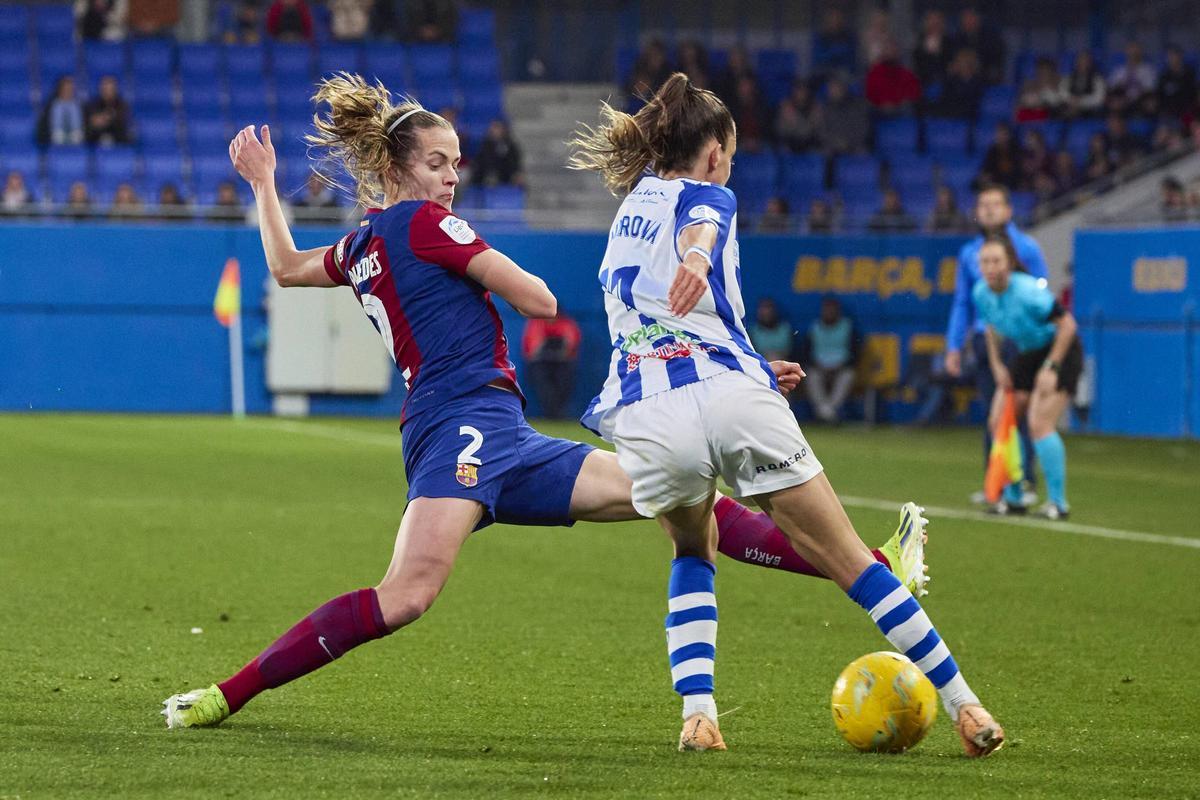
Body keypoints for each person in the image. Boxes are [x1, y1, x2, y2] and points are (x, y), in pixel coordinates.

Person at [161, 74, 930, 735]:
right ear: (396, 168)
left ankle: (868, 564)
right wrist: (478, 257)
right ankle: (225, 697)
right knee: (408, 596)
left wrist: (264, 186)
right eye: (436, 163)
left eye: (456, 166)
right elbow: (538, 297)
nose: (450, 179)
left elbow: (289, 267)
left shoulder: (363, 244)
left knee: (677, 498)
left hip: (505, 431)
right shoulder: (427, 224)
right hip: (457, 429)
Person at [568, 72, 1003, 756]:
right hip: (731, 398)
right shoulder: (710, 194)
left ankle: (700, 717)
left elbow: (665, 319)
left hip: (648, 410)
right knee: (851, 558)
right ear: (713, 153)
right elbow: (702, 226)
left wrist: (751, 358)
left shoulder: (628, 210)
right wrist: (696, 254)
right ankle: (968, 710)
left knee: (691, 547)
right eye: (731, 153)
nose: (730, 165)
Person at [944, 184, 1048, 508]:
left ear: (1008, 210)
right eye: (983, 204)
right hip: (984, 338)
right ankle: (996, 482)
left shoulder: (1027, 248)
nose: (989, 210)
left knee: (1020, 408)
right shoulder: (968, 253)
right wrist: (953, 346)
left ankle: (1023, 479)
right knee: (993, 410)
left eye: (995, 204)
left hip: (1020, 338)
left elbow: (1042, 295)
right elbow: (962, 301)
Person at [974, 232, 1082, 519]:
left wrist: (1053, 367)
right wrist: (998, 366)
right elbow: (992, 330)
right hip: (1027, 353)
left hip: (1060, 348)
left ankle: (1058, 504)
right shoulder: (981, 293)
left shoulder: (1028, 291)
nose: (991, 267)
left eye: (996, 260)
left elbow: (1068, 325)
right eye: (985, 261)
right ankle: (1014, 498)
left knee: (1039, 423)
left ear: (1009, 263)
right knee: (1000, 417)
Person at [801, 295, 859, 423]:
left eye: (832, 310)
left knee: (848, 375)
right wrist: (820, 366)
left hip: (841, 367)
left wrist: (839, 366)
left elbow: (855, 353)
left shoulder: (847, 326)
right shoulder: (815, 327)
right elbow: (806, 354)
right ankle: (826, 412)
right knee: (811, 375)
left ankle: (828, 411)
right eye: (826, 309)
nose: (829, 312)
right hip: (819, 367)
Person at [521, 310, 582, 419]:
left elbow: (568, 350)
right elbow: (533, 352)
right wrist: (546, 346)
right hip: (540, 364)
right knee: (544, 386)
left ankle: (557, 413)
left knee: (563, 383)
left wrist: (558, 349)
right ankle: (552, 414)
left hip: (561, 363)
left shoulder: (566, 324)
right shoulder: (537, 324)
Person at [865, 38, 921, 116]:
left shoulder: (907, 74)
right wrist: (883, 104)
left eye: (893, 49)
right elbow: (870, 94)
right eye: (888, 49)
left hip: (901, 109)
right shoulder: (874, 73)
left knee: (909, 108)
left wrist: (897, 104)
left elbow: (914, 93)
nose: (891, 52)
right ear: (883, 52)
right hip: (879, 110)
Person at [818, 74, 870, 155]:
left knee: (863, 153)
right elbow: (822, 131)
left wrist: (848, 143)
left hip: (854, 146)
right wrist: (836, 143)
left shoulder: (857, 106)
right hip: (833, 148)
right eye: (831, 88)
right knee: (822, 155)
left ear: (843, 88)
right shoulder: (825, 108)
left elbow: (862, 128)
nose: (833, 91)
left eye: (836, 87)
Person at [1107, 41, 1157, 117]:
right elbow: (1112, 86)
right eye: (1131, 51)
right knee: (1115, 102)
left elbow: (1150, 88)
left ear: (1140, 52)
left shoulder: (1147, 70)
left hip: (1141, 99)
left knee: (1150, 103)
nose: (1133, 53)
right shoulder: (1120, 70)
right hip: (1123, 100)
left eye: (1136, 51)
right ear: (1126, 52)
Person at [473, 119, 523, 187]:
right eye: (493, 128)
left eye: (497, 128)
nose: (495, 131)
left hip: (506, 173)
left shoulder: (510, 145)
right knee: (489, 179)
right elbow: (483, 161)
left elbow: (514, 161)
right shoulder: (485, 145)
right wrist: (490, 172)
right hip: (487, 173)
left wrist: (516, 173)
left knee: (519, 179)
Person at [37, 76, 85, 147]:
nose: (68, 91)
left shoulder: (80, 106)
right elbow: (43, 128)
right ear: (60, 89)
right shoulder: (51, 107)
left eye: (70, 89)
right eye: (66, 89)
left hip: (76, 137)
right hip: (55, 138)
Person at [85, 75, 132, 146]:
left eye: (111, 89)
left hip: (118, 140)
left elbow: (122, 122)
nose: (108, 92)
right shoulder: (93, 104)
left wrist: (106, 118)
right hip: (96, 139)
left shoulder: (122, 105)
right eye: (105, 88)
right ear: (101, 89)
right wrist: (108, 117)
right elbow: (93, 122)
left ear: (115, 89)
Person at [1062, 51, 1106, 118]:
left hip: (1089, 110)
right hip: (1070, 107)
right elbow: (1063, 92)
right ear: (1076, 63)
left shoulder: (1097, 79)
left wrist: (1081, 101)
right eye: (1081, 61)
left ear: (1090, 64)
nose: (1083, 63)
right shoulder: (1069, 78)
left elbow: (1099, 99)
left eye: (1086, 61)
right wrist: (1071, 100)